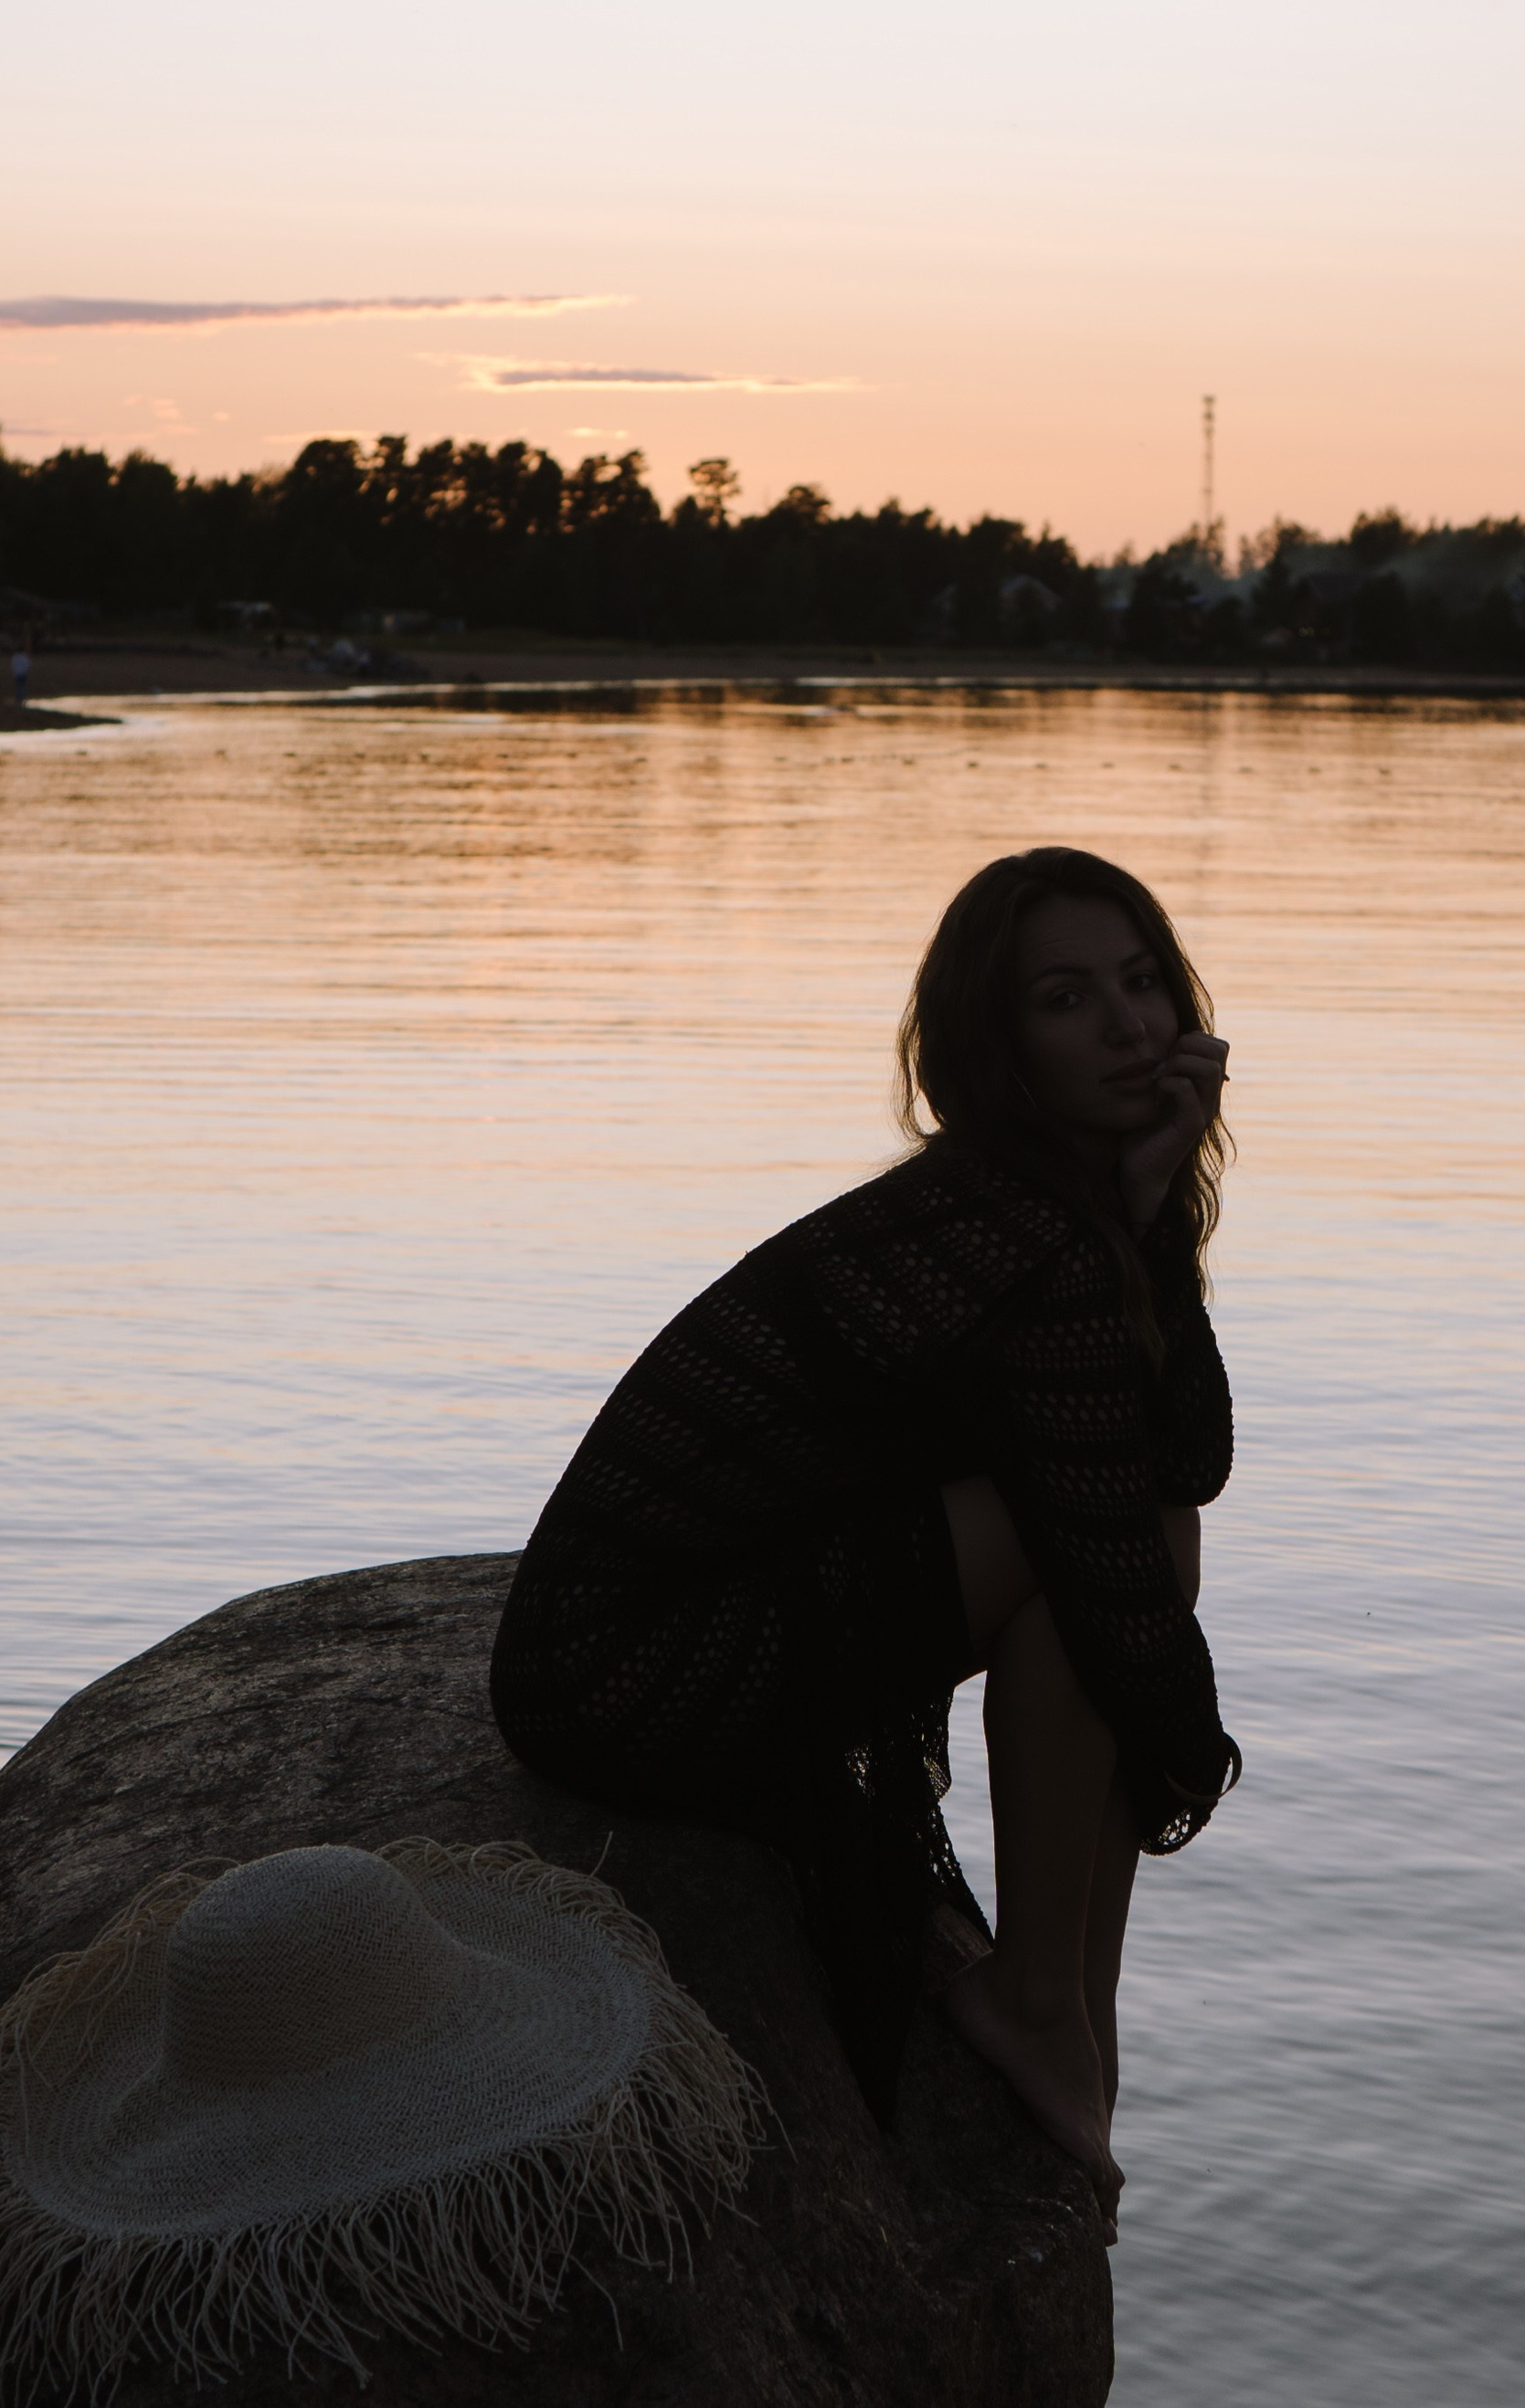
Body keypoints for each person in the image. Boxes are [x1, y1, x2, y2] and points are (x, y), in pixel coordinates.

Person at [489, 846, 1238, 2228]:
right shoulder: (1011, 1232)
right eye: (1069, 1000)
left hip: (713, 1604)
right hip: (627, 1663)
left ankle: (1067, 2008)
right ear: (998, 1044)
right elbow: (1136, 1546)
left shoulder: (1050, 1209)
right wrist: (1190, 1750)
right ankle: (1051, 2009)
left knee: (1127, 1536)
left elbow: (1184, 1464)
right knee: (1103, 1566)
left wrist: (1150, 1212)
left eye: (1142, 982)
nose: (1132, 1026)